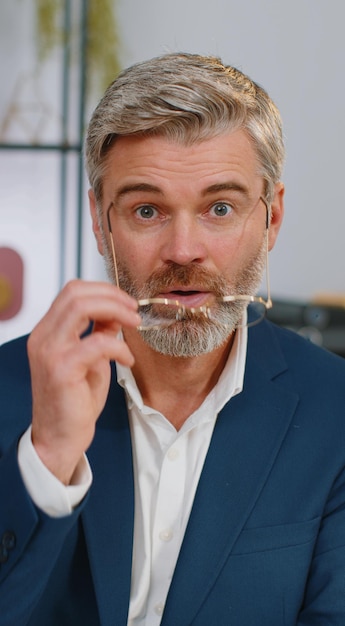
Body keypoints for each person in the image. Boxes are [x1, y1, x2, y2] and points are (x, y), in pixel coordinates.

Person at [1, 52, 345, 626]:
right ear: (99, 219)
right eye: (146, 210)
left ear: (272, 217)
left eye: (219, 208)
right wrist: (48, 460)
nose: (184, 250)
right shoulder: (7, 388)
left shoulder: (336, 410)